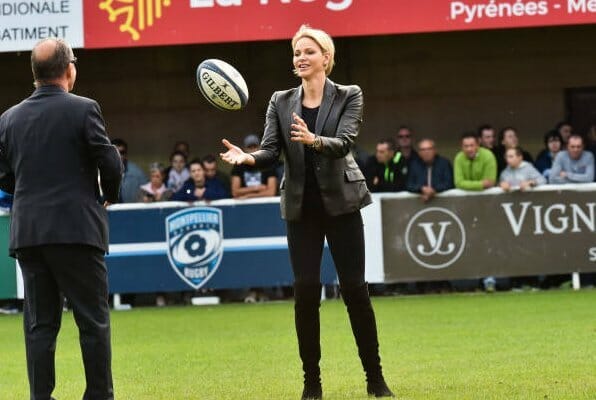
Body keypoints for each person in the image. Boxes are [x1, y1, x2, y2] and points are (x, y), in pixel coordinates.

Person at [219, 25, 393, 399]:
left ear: (326, 59)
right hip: (301, 207)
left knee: (354, 290)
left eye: (309, 51)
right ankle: (311, 383)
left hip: (342, 203)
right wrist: (248, 158)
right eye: (297, 51)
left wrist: (314, 140)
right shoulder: (280, 101)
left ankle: (375, 378)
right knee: (306, 291)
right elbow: (270, 151)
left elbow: (344, 143)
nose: (301, 57)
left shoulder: (349, 95)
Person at [0, 38, 122, 400]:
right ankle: (98, 395)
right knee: (93, 321)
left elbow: (4, 175)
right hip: (77, 230)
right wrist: (108, 195)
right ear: (69, 69)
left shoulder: (8, 118)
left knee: (39, 324)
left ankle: (41, 396)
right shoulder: (85, 109)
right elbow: (110, 162)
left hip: (30, 233)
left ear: (35, 74)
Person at [230, 134, 278, 199]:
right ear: (245, 149)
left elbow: (271, 192)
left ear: (260, 148)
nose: (253, 150)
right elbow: (235, 192)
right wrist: (257, 188)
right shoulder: (239, 165)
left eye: (255, 147)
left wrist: (249, 196)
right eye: (250, 147)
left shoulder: (268, 164)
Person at [111, 138, 147, 202]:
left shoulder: (138, 174)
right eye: (115, 152)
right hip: (106, 211)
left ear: (126, 154)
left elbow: (146, 196)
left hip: (131, 210)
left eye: (122, 152)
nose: (119, 155)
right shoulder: (100, 173)